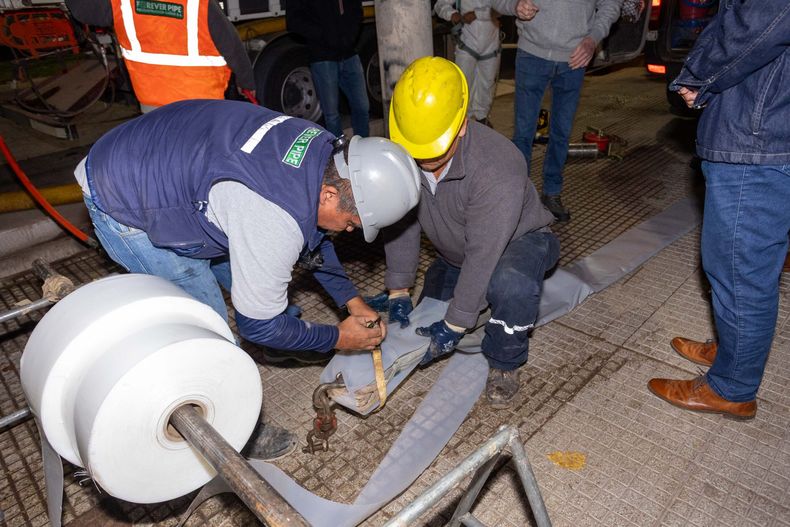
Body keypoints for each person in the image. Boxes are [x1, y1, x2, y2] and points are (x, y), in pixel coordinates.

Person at [75, 99, 421, 456]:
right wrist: (338, 338)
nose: (348, 231)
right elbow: (256, 325)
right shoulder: (271, 219)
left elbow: (314, 240)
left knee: (259, 268)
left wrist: (353, 301)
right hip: (124, 195)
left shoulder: (325, 152)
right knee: (209, 329)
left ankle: (287, 342)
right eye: (351, 223)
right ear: (330, 194)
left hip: (171, 162)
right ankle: (235, 429)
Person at [372, 57, 559, 408]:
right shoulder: (406, 143)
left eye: (433, 151)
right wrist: (398, 287)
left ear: (462, 125)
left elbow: (484, 251)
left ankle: (506, 363)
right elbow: (401, 220)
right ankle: (471, 306)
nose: (422, 161)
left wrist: (456, 324)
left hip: (520, 241)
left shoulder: (497, 164)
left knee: (510, 285)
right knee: (427, 314)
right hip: (455, 249)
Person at [648, 1, 790, 420]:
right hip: (763, 125)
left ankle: (732, 387)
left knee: (740, 271)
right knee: (743, 264)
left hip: (757, 137)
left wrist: (699, 75)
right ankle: (734, 351)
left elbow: (765, 17)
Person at [490, 0, 622, 222]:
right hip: (532, 54)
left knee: (561, 132)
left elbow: (611, 4)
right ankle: (518, 196)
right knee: (523, 132)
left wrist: (593, 39)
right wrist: (515, 6)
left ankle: (552, 193)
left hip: (574, 59)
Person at [65, 0, 256, 112]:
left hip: (152, 104)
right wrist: (247, 81)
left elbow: (83, 11)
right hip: (202, 104)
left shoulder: (124, 3)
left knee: (163, 163)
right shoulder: (199, 4)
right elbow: (231, 44)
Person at [286, 0, 370, 138]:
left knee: (362, 107)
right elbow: (293, 21)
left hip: (349, 54)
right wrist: (324, 36)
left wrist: (349, 37)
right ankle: (337, 154)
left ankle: (363, 148)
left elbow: (356, 11)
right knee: (331, 115)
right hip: (322, 57)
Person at [434, 0, 501, 126]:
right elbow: (440, 4)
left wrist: (477, 14)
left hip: (491, 45)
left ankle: (482, 117)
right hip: (467, 45)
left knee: (487, 83)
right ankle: (464, 119)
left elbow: (503, 9)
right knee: (464, 83)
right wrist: (451, 14)